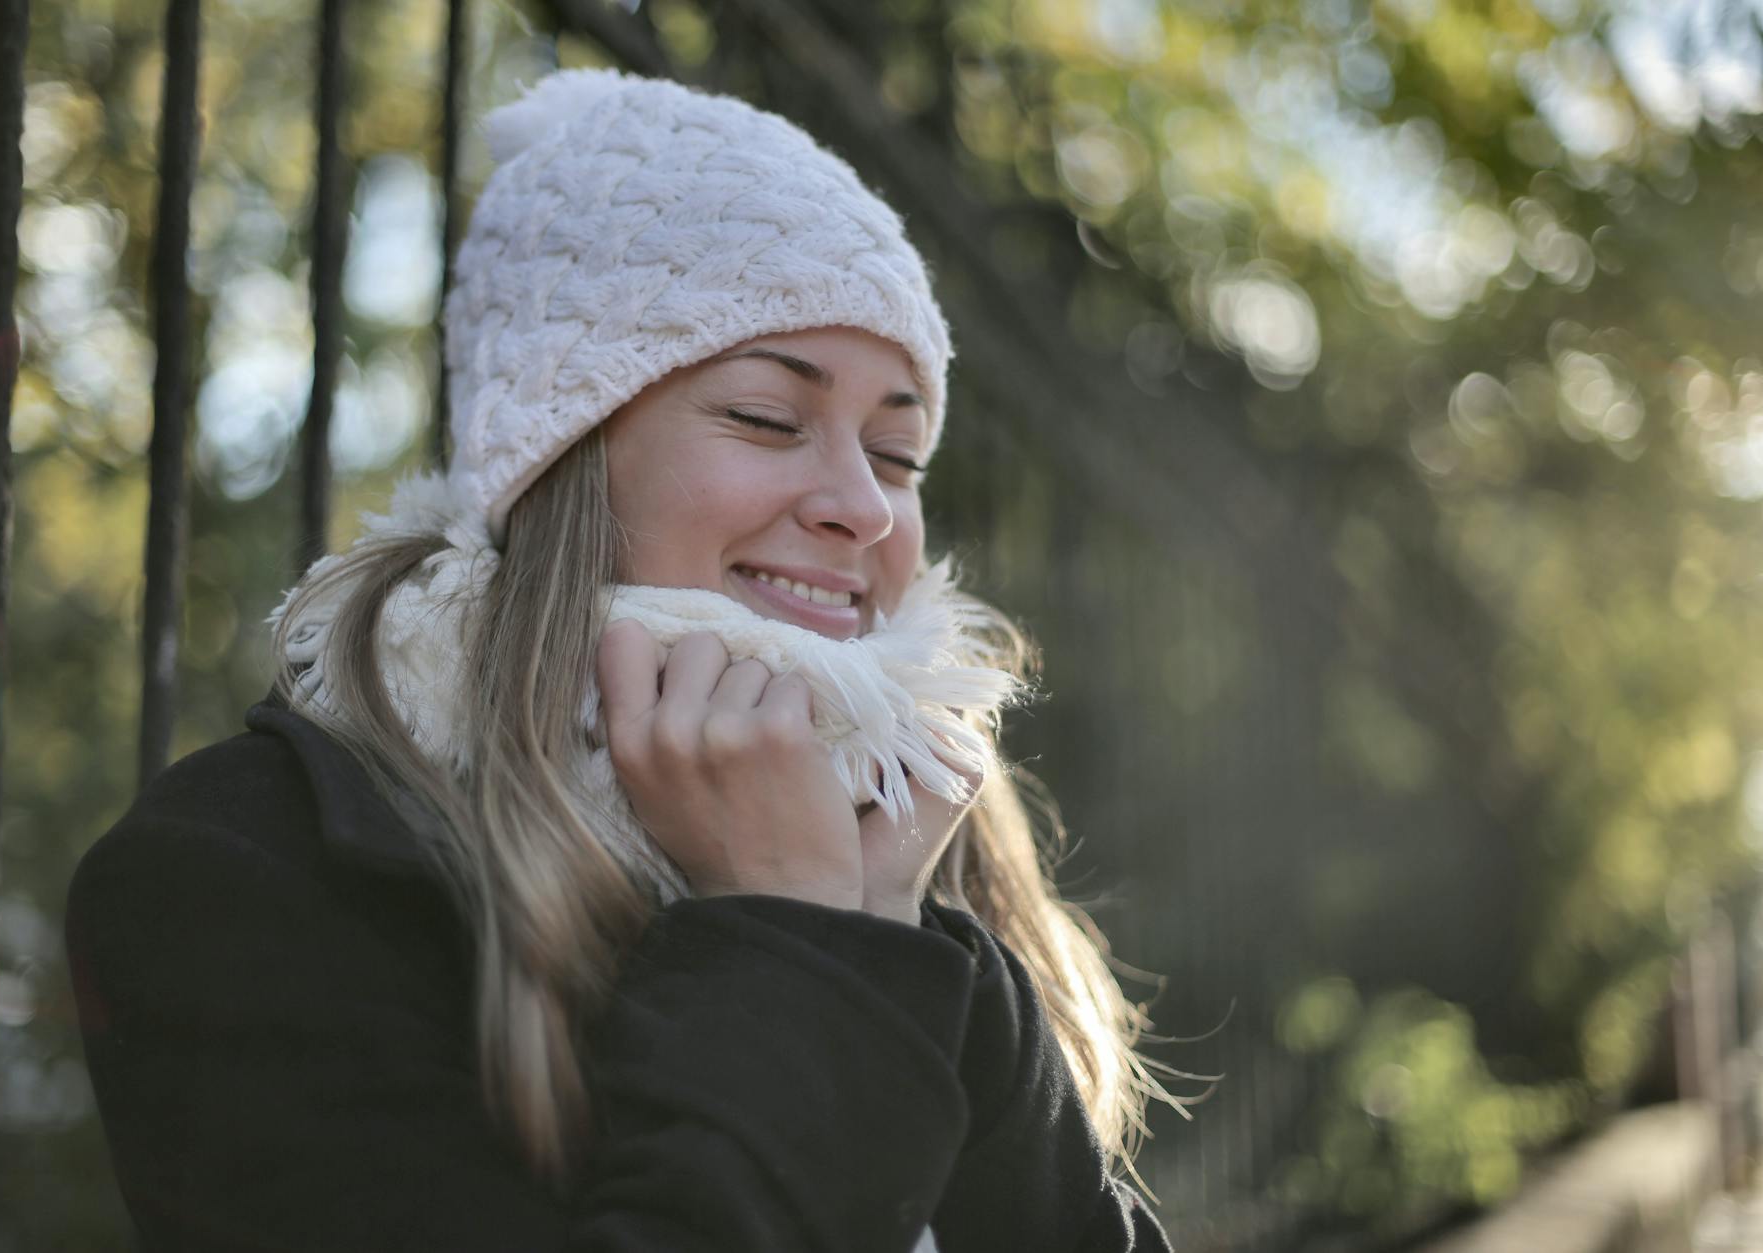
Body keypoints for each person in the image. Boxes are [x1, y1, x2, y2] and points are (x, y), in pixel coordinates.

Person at [67, 67, 1176, 1252]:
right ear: (555, 462)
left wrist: (888, 931)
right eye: (765, 417)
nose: (863, 504)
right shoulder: (245, 870)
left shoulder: (922, 854)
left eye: (898, 452)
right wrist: (791, 933)